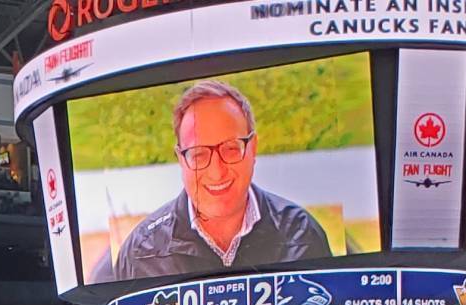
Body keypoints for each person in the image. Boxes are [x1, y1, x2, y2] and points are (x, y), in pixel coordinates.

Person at [89, 79, 333, 283]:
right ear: (180, 159)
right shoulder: (139, 253)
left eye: (230, 148)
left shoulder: (303, 233)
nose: (217, 172)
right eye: (198, 154)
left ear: (253, 148)